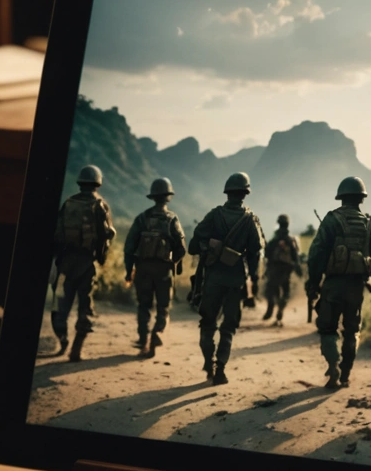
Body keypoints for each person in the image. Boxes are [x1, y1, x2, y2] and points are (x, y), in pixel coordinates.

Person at [306, 177, 371, 390]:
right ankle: (346, 374)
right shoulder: (370, 222)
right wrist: (368, 269)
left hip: (333, 285)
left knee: (328, 328)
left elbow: (316, 255)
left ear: (341, 197)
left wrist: (314, 282)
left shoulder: (332, 220)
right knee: (352, 330)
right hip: (357, 286)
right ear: (361, 198)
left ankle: (333, 366)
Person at [188, 171, 262, 385]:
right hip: (236, 281)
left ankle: (208, 363)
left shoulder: (214, 215)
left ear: (227, 192)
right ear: (245, 194)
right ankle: (220, 369)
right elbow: (255, 253)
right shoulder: (250, 219)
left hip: (212, 280)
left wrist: (208, 247)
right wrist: (253, 280)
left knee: (207, 323)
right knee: (229, 327)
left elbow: (193, 246)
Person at [51, 165, 115, 362]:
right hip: (88, 264)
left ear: (80, 182)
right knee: (85, 304)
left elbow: (56, 234)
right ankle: (76, 348)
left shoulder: (68, 203)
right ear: (98, 183)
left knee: (60, 303)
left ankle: (62, 340)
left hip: (65, 263)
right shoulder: (100, 205)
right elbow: (107, 234)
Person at [123, 177, 187, 357]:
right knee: (163, 306)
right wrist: (172, 263)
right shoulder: (172, 219)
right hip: (163, 270)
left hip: (142, 268)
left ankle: (143, 340)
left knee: (143, 305)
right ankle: (157, 333)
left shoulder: (142, 218)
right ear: (168, 197)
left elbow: (129, 248)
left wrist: (129, 271)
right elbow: (181, 249)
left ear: (152, 196)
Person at [262, 214, 303, 325]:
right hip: (286, 270)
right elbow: (295, 256)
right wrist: (298, 270)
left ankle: (271, 307)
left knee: (271, 290)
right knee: (286, 291)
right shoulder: (290, 239)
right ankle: (280, 309)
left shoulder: (275, 239)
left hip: (274, 269)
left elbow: (267, 253)